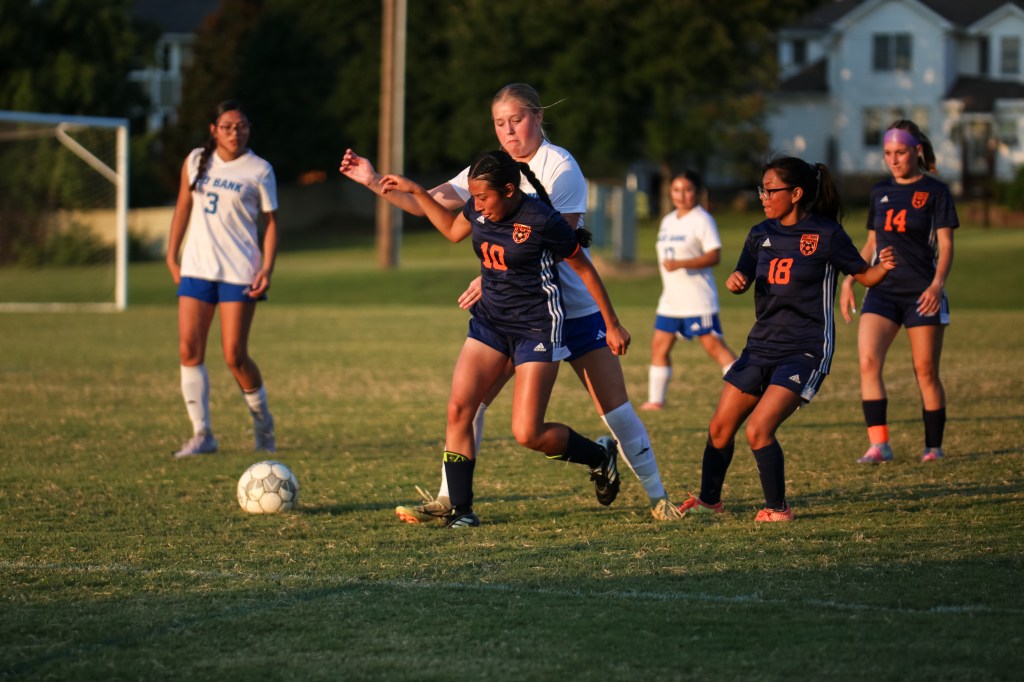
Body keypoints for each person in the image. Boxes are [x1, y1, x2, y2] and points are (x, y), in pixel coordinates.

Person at [340, 83, 685, 521]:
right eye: (499, 123)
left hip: (571, 310)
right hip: (515, 312)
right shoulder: (489, 168)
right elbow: (435, 207)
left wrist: (492, 273)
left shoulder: (560, 168)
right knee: (470, 404)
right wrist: (373, 181)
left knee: (613, 410)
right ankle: (451, 500)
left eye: (516, 120)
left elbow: (559, 247)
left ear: (538, 117)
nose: (508, 131)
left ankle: (658, 497)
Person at [378, 150, 624, 528]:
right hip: (490, 323)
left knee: (528, 432)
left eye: (483, 197)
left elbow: (585, 270)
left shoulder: (541, 219)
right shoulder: (479, 210)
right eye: (474, 198)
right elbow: (451, 230)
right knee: (460, 408)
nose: (477, 206)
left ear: (509, 190)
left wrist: (613, 324)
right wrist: (417, 191)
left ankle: (598, 456)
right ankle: (461, 510)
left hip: (536, 328)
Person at [678, 156, 897, 522]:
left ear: (795, 194)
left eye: (770, 190)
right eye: (761, 189)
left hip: (805, 350)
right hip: (761, 346)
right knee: (719, 428)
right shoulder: (759, 233)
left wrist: (883, 268)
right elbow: (741, 276)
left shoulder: (826, 234)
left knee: (759, 429)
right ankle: (709, 501)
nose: (763, 197)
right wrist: (736, 282)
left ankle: (778, 509)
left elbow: (865, 275)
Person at [840, 120, 958, 464]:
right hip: (883, 292)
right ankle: (879, 445)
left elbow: (947, 246)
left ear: (917, 151)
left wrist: (937, 285)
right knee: (868, 362)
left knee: (925, 371)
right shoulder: (879, 191)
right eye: (888, 153)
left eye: (901, 152)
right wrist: (851, 278)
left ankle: (933, 448)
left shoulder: (936, 192)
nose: (893, 159)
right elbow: (872, 243)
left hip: (922, 293)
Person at [166, 100, 278, 458]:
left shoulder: (259, 169)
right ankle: (202, 434)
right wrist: (172, 255)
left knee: (234, 356)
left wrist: (267, 268)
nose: (235, 132)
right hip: (197, 267)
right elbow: (183, 207)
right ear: (214, 130)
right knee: (189, 350)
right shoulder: (196, 160)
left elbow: (271, 224)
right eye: (227, 126)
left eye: (241, 126)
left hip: (239, 271)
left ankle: (263, 425)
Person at [641, 170, 737, 411]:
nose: (681, 195)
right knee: (659, 347)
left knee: (714, 347)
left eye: (687, 189)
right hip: (671, 300)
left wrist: (681, 263)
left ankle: (746, 390)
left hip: (697, 299)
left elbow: (714, 256)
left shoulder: (702, 219)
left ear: (697, 192)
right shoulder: (668, 220)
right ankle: (655, 401)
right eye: (676, 190)